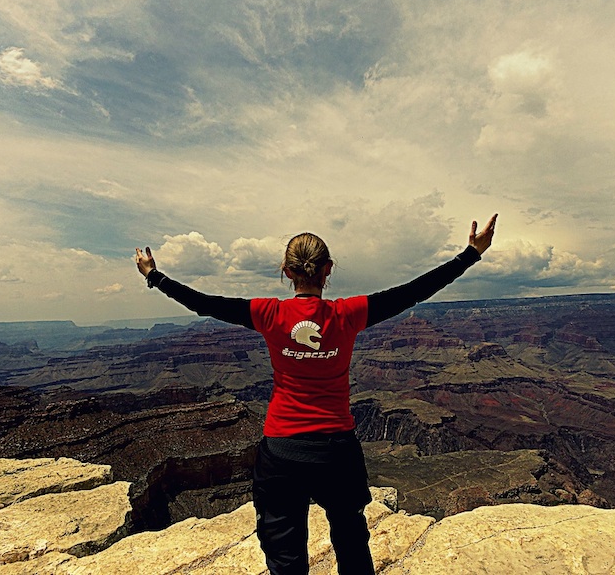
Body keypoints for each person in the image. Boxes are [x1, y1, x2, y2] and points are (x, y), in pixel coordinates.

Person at [135, 213, 497, 575]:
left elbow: (205, 304)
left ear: (287, 272)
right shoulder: (348, 314)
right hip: (336, 451)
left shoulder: (268, 313)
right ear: (328, 270)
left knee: (285, 555)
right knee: (352, 544)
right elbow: (413, 292)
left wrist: (155, 276)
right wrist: (470, 254)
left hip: (281, 451)